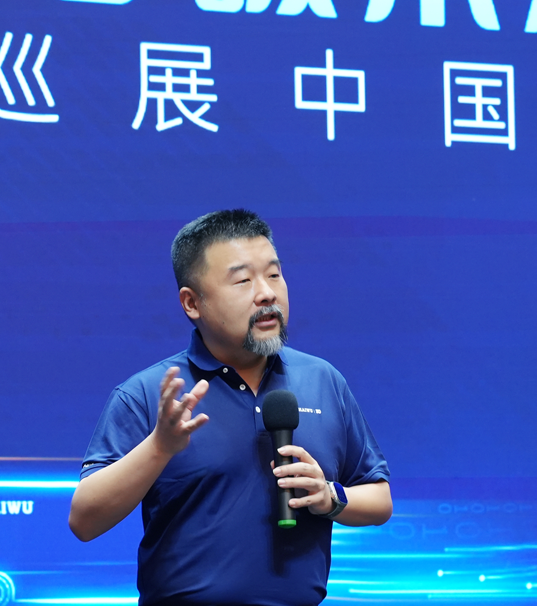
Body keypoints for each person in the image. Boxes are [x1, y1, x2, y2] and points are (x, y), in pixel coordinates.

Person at [69, 209, 391, 606]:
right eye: (243, 280)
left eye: (274, 274)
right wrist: (159, 446)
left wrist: (329, 497)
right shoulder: (150, 394)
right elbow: (84, 521)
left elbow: (379, 499)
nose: (267, 293)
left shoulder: (322, 380)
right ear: (192, 303)